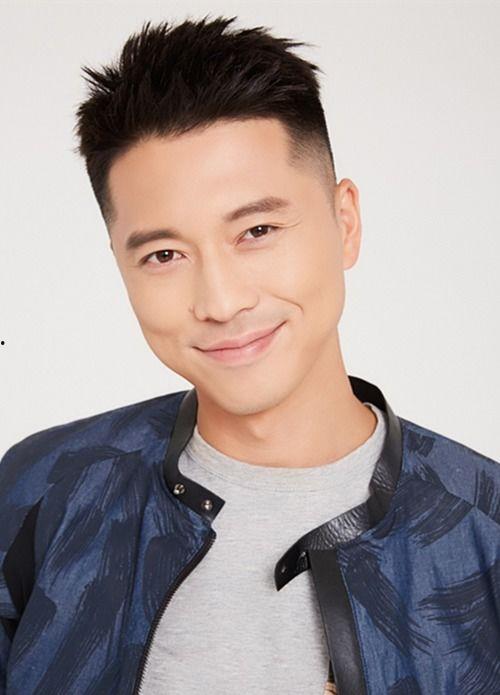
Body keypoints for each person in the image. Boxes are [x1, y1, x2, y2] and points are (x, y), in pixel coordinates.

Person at [1, 14, 499, 695]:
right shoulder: (43, 493)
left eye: (258, 230)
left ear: (345, 222)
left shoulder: (483, 532)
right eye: (164, 254)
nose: (221, 300)